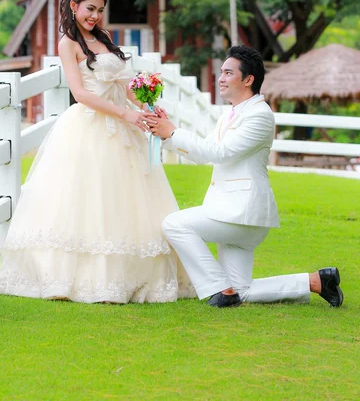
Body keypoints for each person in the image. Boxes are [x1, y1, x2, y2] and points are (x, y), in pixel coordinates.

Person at [0, 0, 194, 304]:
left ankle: (134, 277)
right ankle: (80, 279)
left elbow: (125, 83)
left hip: (123, 129)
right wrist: (124, 114)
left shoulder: (104, 38)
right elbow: (81, 94)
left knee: (125, 198)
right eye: (90, 9)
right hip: (89, 126)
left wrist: (145, 106)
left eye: (100, 10)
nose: (95, 16)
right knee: (88, 199)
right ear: (74, 6)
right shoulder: (67, 43)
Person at [145, 46, 343, 309]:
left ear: (248, 79)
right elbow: (204, 153)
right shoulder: (232, 113)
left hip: (242, 213)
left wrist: (173, 132)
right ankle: (316, 281)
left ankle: (218, 289)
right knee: (243, 291)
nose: (221, 78)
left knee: (174, 224)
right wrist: (166, 133)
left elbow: (220, 152)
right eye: (221, 72)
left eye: (228, 73)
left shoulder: (260, 115)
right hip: (230, 211)